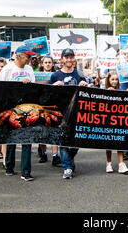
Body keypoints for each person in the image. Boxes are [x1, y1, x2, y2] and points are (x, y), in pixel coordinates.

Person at [0, 45, 37, 181]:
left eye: (30, 56)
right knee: (12, 138)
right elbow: (0, 87)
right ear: (18, 55)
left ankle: (26, 171)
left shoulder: (29, 69)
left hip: (26, 108)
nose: (29, 59)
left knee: (27, 139)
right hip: (11, 108)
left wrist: (29, 84)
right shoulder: (8, 69)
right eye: (27, 56)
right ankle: (9, 166)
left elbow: (34, 88)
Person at [50, 48, 88, 179]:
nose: (69, 59)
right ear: (61, 60)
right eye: (66, 57)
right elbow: (48, 94)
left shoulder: (80, 74)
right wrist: (54, 86)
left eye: (71, 57)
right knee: (63, 139)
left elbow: (90, 91)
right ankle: (67, 167)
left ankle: (69, 157)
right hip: (61, 112)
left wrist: (86, 85)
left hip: (77, 112)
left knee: (77, 140)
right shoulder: (55, 75)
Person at [104, 71, 128, 174]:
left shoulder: (121, 91)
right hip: (108, 120)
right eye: (112, 79)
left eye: (116, 79)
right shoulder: (104, 91)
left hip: (119, 120)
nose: (114, 82)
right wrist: (107, 92)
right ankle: (109, 163)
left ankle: (121, 164)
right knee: (109, 143)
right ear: (108, 80)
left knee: (120, 142)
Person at [37, 55, 61, 166]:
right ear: (42, 64)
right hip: (40, 105)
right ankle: (43, 153)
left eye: (49, 62)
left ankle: (55, 156)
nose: (47, 64)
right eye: (45, 62)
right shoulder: (36, 74)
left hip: (53, 105)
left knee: (53, 130)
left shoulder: (56, 75)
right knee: (42, 131)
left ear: (52, 64)